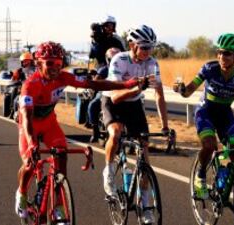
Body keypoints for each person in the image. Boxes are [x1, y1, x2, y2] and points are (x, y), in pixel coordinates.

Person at [15, 41, 142, 219]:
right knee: (30, 162)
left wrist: (125, 84)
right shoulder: (30, 84)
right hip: (29, 125)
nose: (55, 68)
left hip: (50, 123)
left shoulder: (64, 77)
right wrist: (32, 143)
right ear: (38, 63)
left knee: (61, 156)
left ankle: (58, 205)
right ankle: (21, 194)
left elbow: (94, 84)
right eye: (49, 63)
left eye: (59, 64)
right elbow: (27, 118)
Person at [173, 33, 234, 213]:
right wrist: (181, 89)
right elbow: (189, 91)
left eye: (226, 53)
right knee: (209, 145)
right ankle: (200, 177)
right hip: (205, 111)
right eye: (219, 52)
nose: (221, 57)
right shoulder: (209, 68)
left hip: (225, 114)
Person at [101, 25, 169, 224]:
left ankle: (147, 208)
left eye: (151, 47)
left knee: (145, 157)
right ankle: (109, 171)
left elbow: (159, 95)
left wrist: (165, 126)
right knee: (115, 133)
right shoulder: (119, 60)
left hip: (134, 105)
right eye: (144, 47)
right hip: (114, 100)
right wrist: (138, 86)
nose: (148, 51)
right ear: (132, 45)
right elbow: (115, 97)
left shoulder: (152, 63)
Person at [88, 47, 121, 142]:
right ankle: (95, 131)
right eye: (113, 59)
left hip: (121, 93)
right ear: (108, 59)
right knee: (92, 105)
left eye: (118, 58)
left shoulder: (125, 68)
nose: (116, 61)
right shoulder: (104, 70)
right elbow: (96, 81)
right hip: (105, 93)